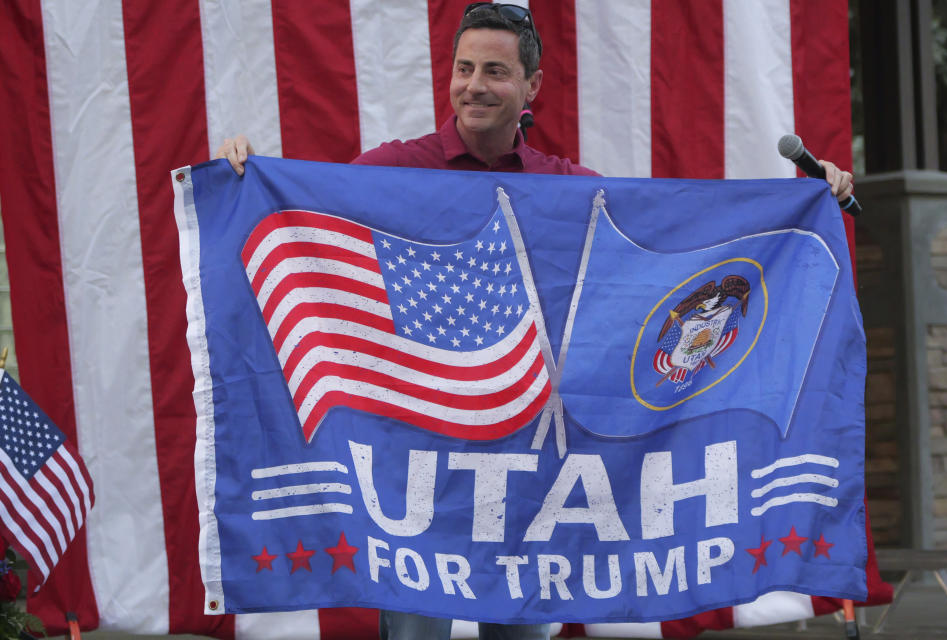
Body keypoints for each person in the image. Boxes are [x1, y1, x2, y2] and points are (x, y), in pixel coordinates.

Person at [213, 4, 855, 639]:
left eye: (495, 70)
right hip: (416, 465)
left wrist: (805, 201)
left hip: (526, 470)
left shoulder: (572, 188)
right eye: (464, 67)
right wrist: (247, 172)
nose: (474, 85)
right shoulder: (392, 170)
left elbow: (678, 238)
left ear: (531, 87)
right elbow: (306, 215)